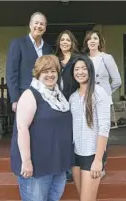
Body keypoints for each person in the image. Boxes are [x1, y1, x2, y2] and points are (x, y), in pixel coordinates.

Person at [10, 55, 73, 201]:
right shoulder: (30, 95)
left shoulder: (59, 97)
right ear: (37, 73)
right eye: (45, 71)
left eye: (53, 71)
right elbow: (22, 128)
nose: (50, 74)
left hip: (58, 163)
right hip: (37, 164)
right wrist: (26, 161)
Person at [69, 55, 111, 201]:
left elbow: (104, 127)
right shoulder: (73, 97)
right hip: (76, 154)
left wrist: (98, 160)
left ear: (90, 71)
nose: (80, 72)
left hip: (92, 154)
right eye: (77, 69)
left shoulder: (99, 93)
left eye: (84, 68)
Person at [82, 30, 122, 177]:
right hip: (86, 100)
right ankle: (89, 162)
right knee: (89, 131)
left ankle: (101, 163)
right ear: (86, 43)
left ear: (99, 41)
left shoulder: (106, 58)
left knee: (102, 131)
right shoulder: (84, 59)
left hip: (102, 100)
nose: (92, 41)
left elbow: (117, 80)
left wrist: (105, 94)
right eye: (89, 39)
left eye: (95, 38)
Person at [6, 12, 53, 113]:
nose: (39, 26)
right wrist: (14, 99)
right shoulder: (18, 44)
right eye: (36, 23)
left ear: (45, 27)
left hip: (45, 97)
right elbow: (11, 73)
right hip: (24, 95)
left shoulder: (48, 49)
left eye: (42, 24)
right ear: (30, 25)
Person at [54, 30, 79, 182]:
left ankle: (72, 169)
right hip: (57, 103)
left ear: (72, 43)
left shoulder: (78, 59)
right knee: (60, 136)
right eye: (62, 39)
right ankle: (62, 168)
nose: (65, 42)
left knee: (73, 136)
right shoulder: (55, 60)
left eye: (68, 40)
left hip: (74, 102)